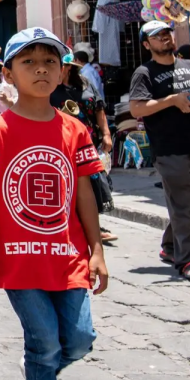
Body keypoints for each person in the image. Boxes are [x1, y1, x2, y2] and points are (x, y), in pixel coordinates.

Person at [0, 27, 108, 380]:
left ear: (63, 73)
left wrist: (97, 250)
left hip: (69, 256)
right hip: (20, 257)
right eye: (28, 62)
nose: (41, 70)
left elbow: (84, 193)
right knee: (44, 341)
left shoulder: (75, 129)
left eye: (50, 62)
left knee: (79, 339)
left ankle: (38, 366)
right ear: (9, 74)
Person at [129, 21, 190, 281]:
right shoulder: (144, 72)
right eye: (157, 36)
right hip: (169, 148)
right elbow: (137, 109)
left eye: (166, 33)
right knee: (185, 205)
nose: (165, 38)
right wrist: (171, 101)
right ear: (147, 45)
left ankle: (169, 246)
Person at [53, 55, 117, 243]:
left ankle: (93, 225)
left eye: (61, 65)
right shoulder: (49, 89)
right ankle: (74, 225)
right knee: (69, 185)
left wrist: (106, 134)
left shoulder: (85, 83)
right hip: (62, 144)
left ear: (69, 68)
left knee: (94, 182)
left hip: (89, 141)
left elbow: (99, 109)